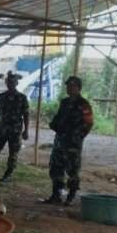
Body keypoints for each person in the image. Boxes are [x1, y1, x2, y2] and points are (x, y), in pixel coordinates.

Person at [42, 76, 94, 205]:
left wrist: (78, 137)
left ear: (78, 88)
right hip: (60, 141)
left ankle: (70, 197)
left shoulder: (83, 104)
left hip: (73, 143)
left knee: (72, 170)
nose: (69, 88)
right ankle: (56, 195)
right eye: (68, 86)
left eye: (72, 86)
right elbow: (58, 118)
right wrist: (54, 125)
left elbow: (89, 123)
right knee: (56, 168)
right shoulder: (64, 102)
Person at [0, 71, 30, 182]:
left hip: (15, 129)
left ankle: (8, 174)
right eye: (8, 82)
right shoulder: (2, 96)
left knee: (13, 153)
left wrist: (26, 130)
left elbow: (26, 114)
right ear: (6, 83)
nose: (10, 84)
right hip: (2, 127)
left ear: (16, 83)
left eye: (12, 82)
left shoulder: (22, 98)